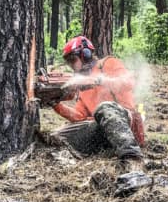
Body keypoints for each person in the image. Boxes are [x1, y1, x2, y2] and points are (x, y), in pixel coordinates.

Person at [46, 35, 145, 174]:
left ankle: (132, 161)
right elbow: (79, 116)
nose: (72, 66)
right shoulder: (82, 85)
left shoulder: (108, 63)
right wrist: (55, 104)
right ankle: (102, 150)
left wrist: (99, 80)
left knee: (104, 108)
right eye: (69, 62)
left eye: (72, 60)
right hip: (101, 128)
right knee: (57, 135)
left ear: (85, 54)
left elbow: (128, 82)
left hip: (124, 121)